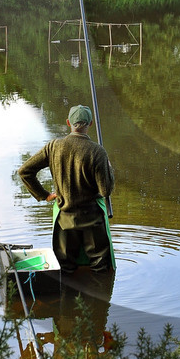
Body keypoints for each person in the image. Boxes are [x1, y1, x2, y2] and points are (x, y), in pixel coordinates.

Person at [17, 105, 116, 273]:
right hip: (92, 219)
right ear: (90, 124)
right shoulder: (98, 152)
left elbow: (24, 171)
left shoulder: (54, 147)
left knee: (64, 269)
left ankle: (65, 289)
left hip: (65, 220)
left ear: (68, 123)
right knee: (101, 269)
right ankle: (101, 290)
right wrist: (109, 168)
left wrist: (44, 195)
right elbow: (105, 190)